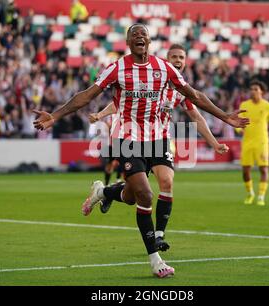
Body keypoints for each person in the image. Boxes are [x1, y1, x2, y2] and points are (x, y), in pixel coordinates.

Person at [33, 24, 249, 278]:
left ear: (149, 41)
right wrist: (55, 116)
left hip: (157, 139)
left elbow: (195, 96)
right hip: (126, 138)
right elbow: (87, 95)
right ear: (127, 42)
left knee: (134, 196)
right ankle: (156, 259)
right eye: (134, 35)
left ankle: (104, 192)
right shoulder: (117, 68)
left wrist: (225, 117)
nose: (139, 37)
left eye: (143, 34)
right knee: (145, 195)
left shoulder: (164, 68)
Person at [89, 44, 230, 252]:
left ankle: (159, 235)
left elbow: (196, 116)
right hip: (133, 138)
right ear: (167, 59)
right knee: (131, 196)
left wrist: (214, 142)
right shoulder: (153, 79)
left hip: (159, 140)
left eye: (181, 57)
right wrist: (101, 115)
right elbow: (121, 102)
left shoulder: (181, 91)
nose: (178, 60)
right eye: (174, 56)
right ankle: (105, 192)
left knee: (166, 181)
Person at [238, 81, 269, 207]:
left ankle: (261, 196)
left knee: (264, 169)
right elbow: (237, 122)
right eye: (251, 89)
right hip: (247, 142)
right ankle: (250, 194)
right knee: (245, 171)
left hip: (262, 142)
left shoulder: (268, 106)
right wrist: (238, 129)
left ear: (262, 92)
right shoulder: (244, 105)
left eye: (255, 89)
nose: (252, 91)